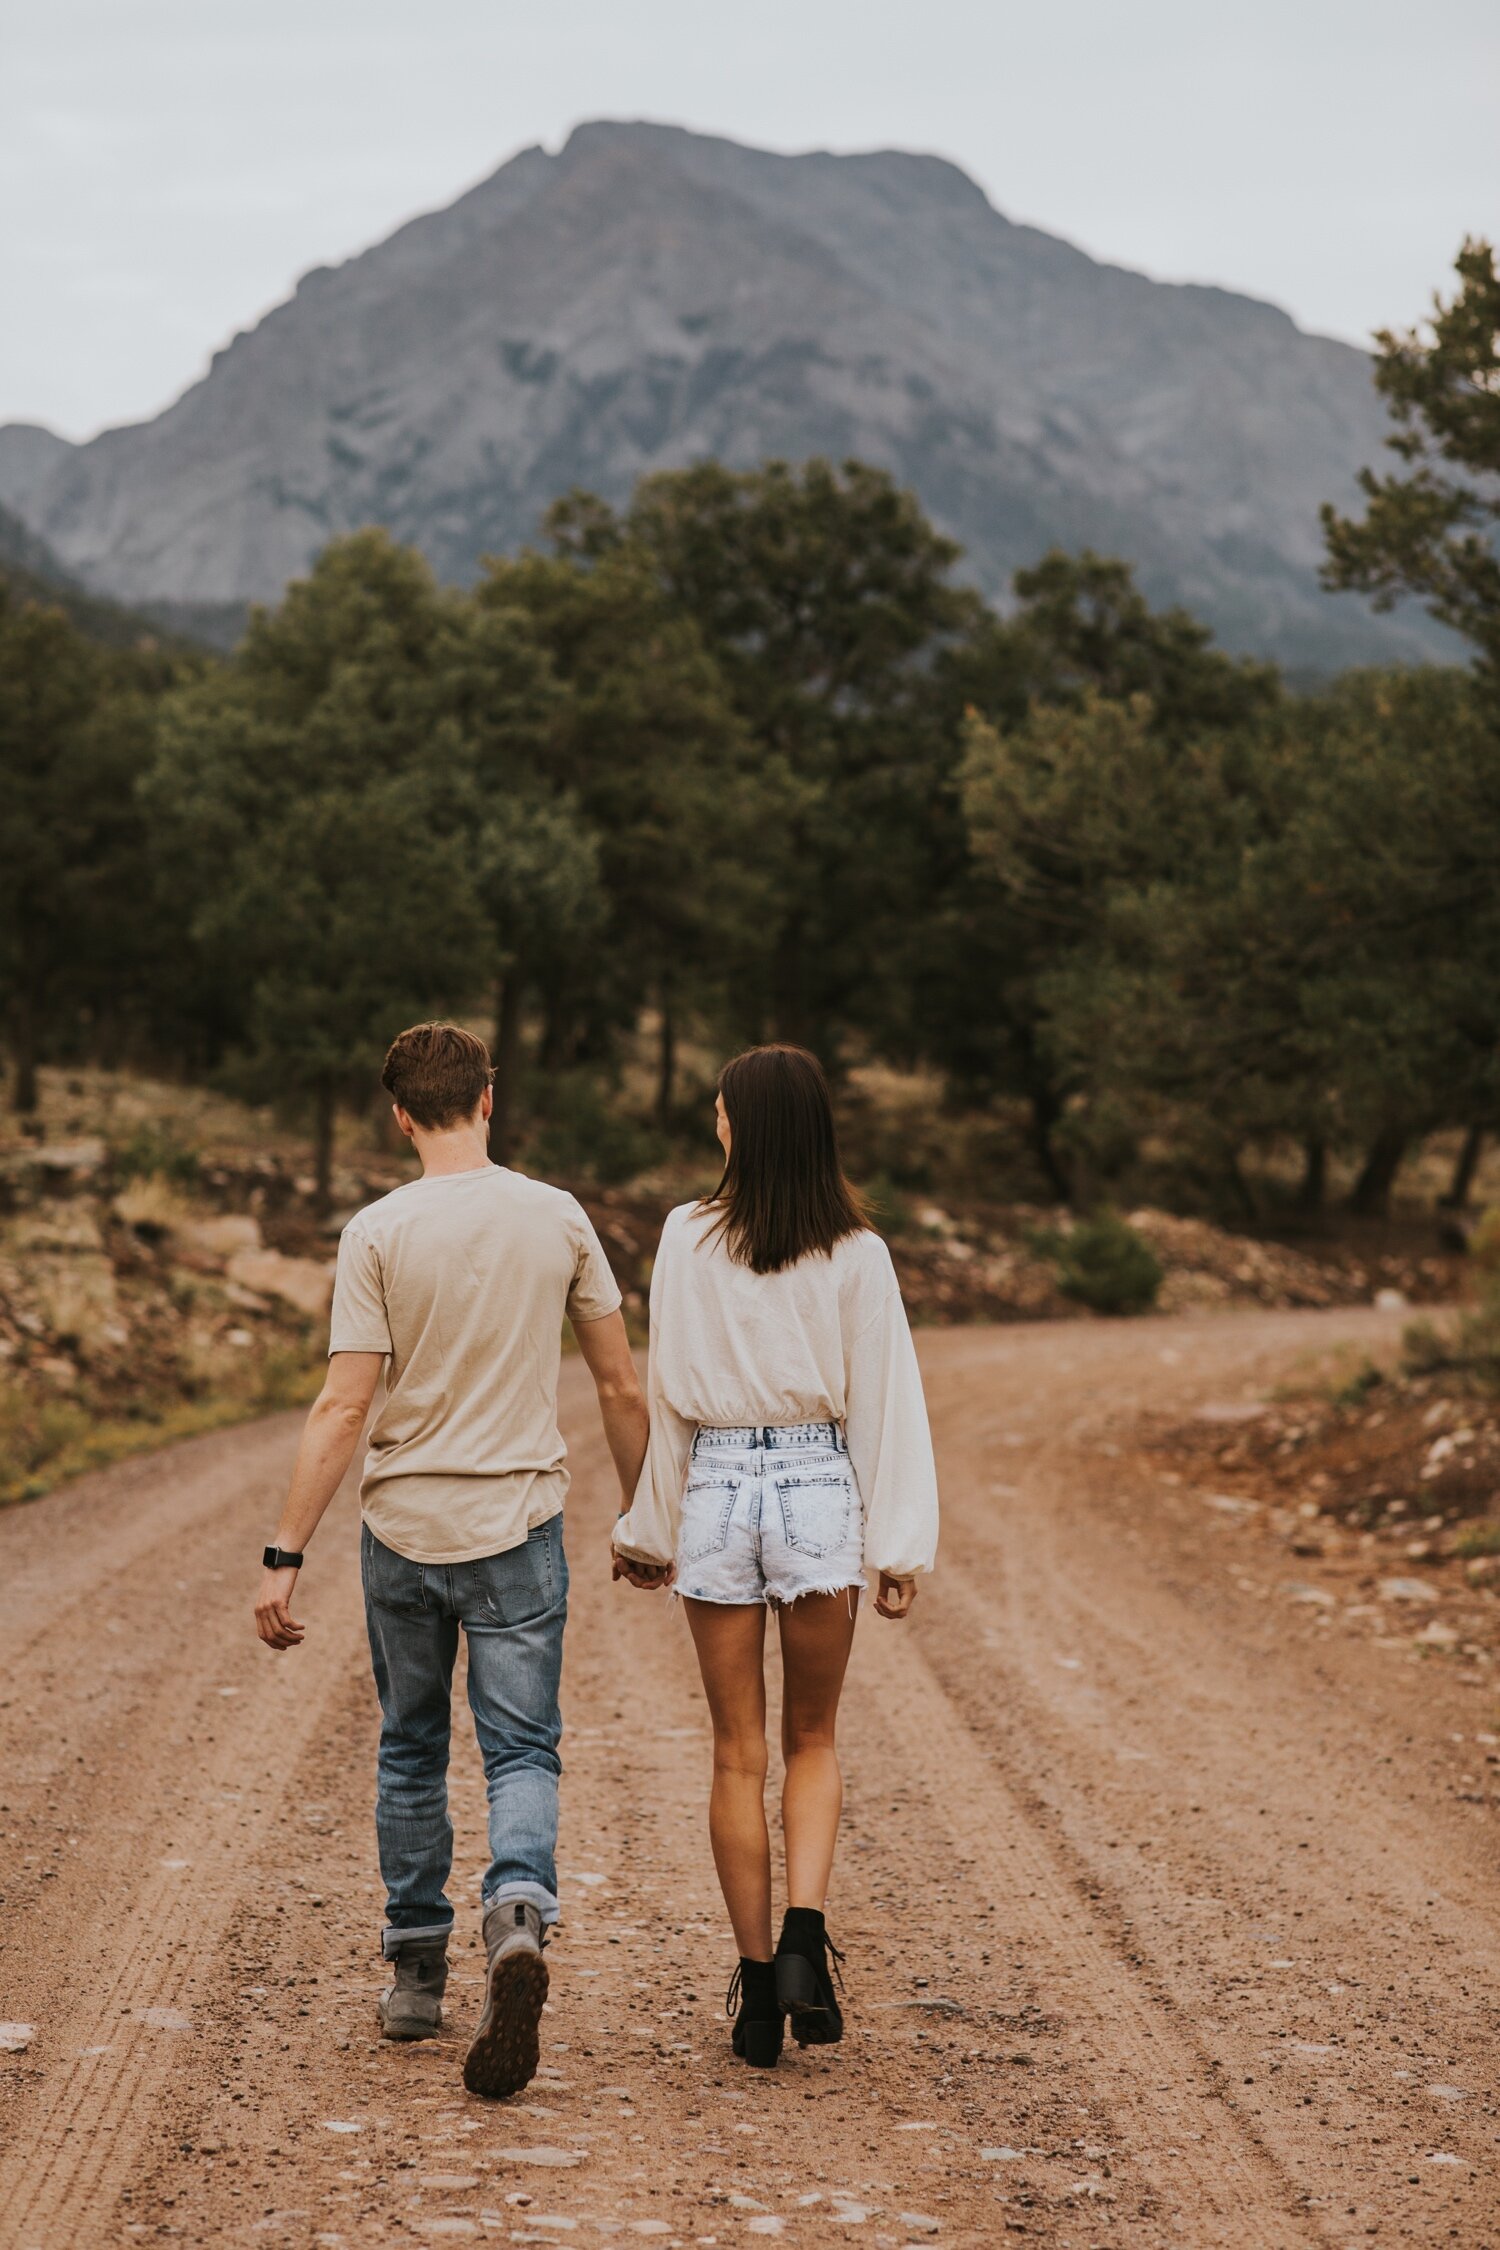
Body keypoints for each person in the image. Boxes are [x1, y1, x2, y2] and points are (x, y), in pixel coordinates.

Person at [253, 1022, 648, 2098]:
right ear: (487, 1098)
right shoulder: (556, 1216)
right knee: (521, 1751)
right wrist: (646, 1516)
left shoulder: (377, 1231)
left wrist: (284, 1554)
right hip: (516, 1527)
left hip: (404, 1535)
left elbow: (345, 1404)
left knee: (411, 1748)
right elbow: (619, 1384)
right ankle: (517, 1915)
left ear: (398, 1116)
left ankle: (417, 1971)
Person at [611, 1045, 938, 2067]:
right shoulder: (858, 1254)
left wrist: (650, 1529)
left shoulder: (683, 1237)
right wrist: (896, 1545)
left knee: (734, 1753)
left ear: (741, 1128)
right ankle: (806, 1939)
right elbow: (886, 1403)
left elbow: (666, 1395)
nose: (714, 1120)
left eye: (720, 1110)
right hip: (814, 1487)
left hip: (714, 1485)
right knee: (814, 1742)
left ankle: (756, 1997)